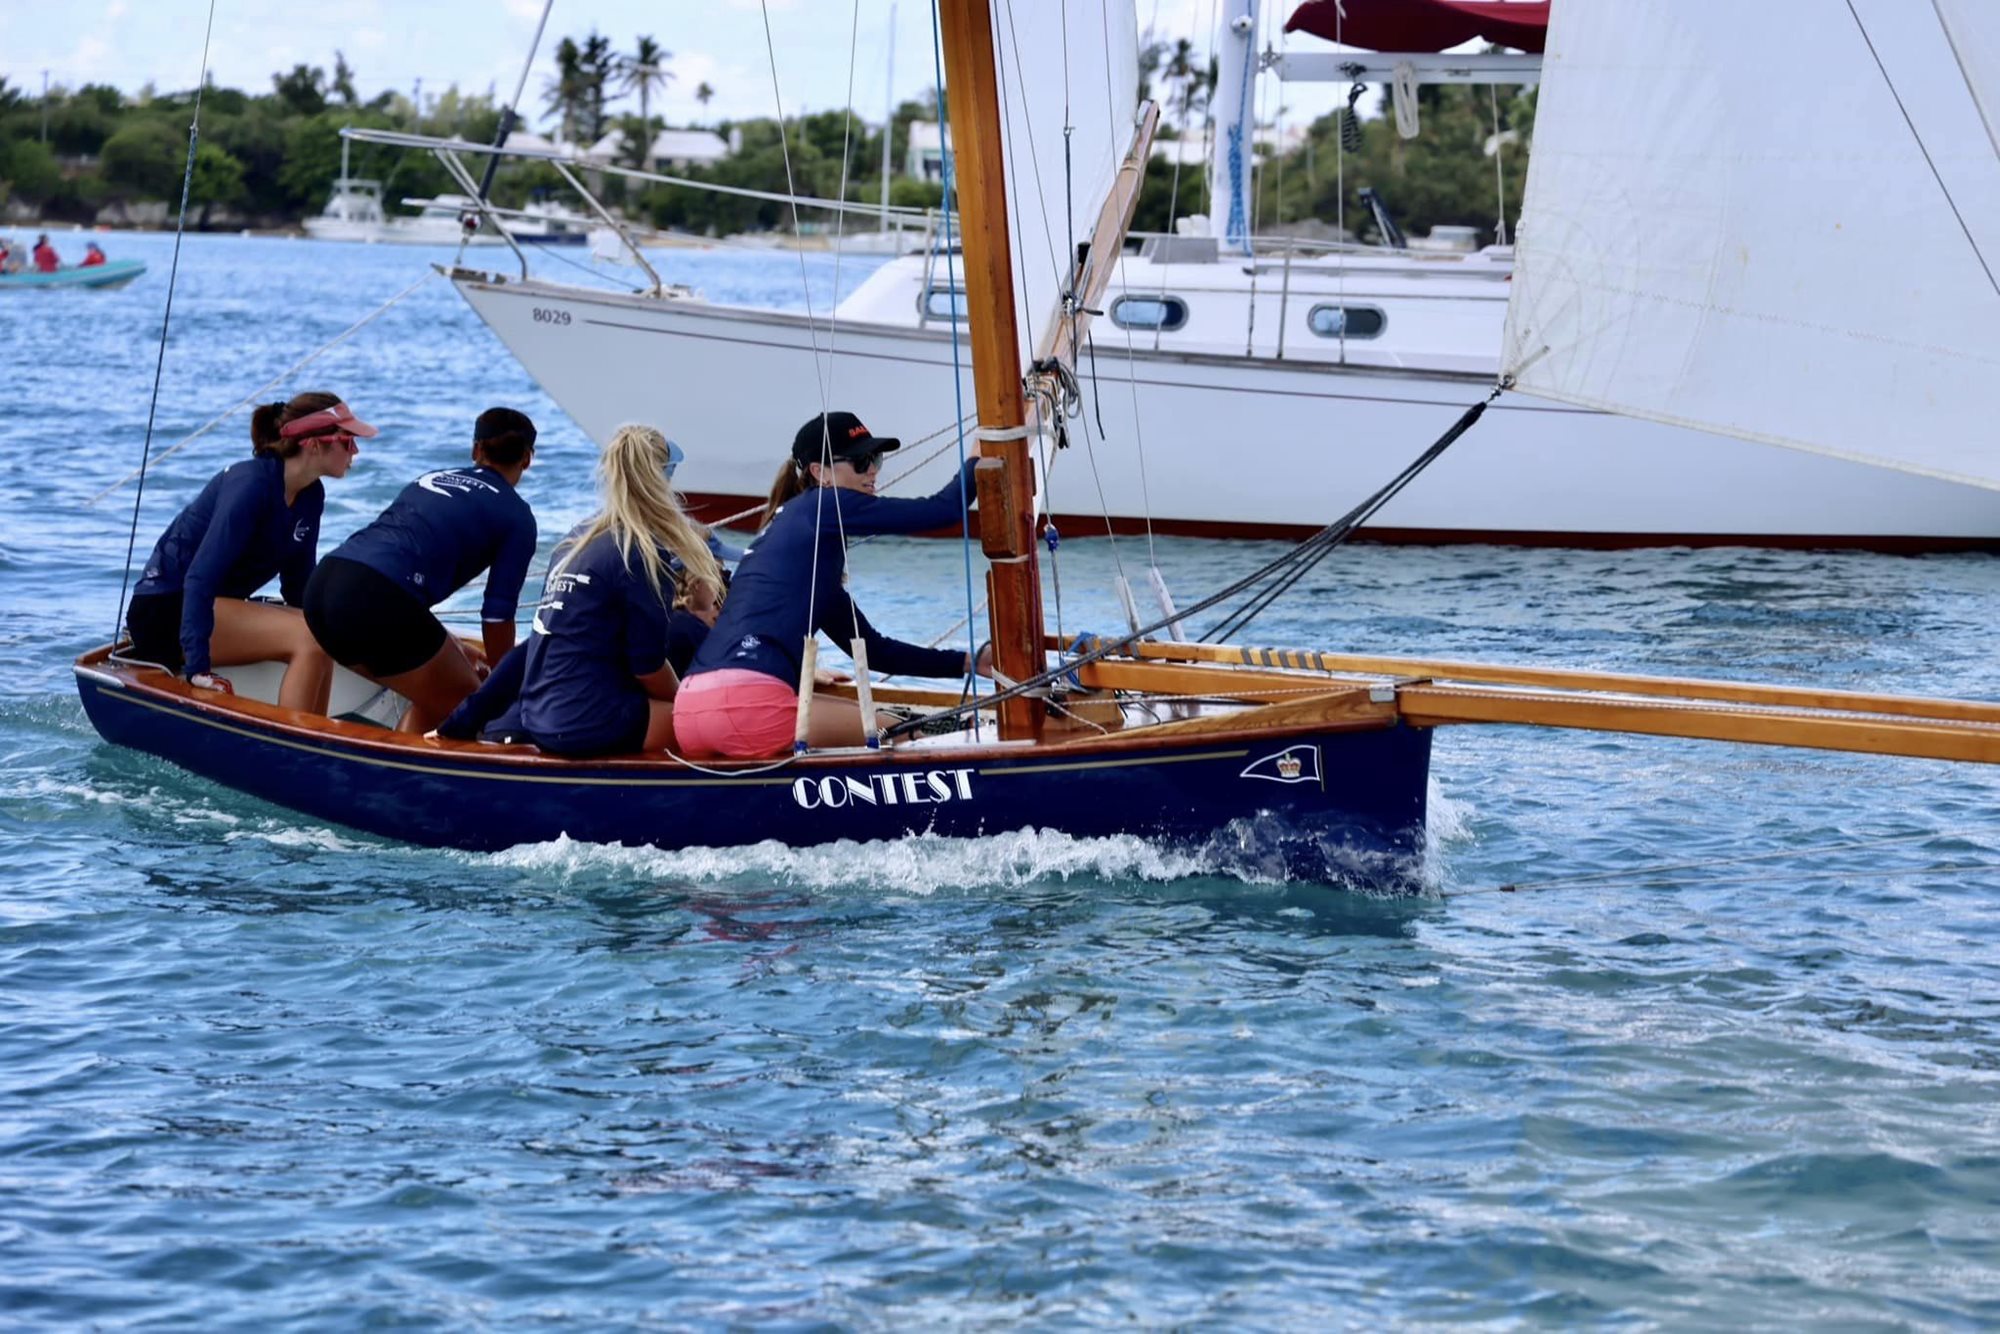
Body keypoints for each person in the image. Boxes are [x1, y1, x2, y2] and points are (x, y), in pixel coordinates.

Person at [673, 410, 992, 759]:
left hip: (689, 709)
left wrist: (970, 662)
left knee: (876, 717)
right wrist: (981, 454)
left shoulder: (793, 544)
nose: (872, 470)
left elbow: (874, 651)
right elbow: (942, 510)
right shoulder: (824, 505)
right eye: (859, 461)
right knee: (902, 728)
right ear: (819, 473)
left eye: (876, 459)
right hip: (747, 705)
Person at [124, 391, 371, 711]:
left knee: (319, 633)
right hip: (167, 611)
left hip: (215, 606)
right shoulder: (251, 484)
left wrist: (348, 629)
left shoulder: (311, 495)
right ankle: (292, 746)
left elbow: (298, 588)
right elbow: (199, 578)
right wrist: (198, 671)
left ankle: (318, 738)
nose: (356, 451)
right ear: (313, 443)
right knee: (308, 639)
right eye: (347, 441)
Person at [303, 407, 538, 734]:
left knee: (438, 695)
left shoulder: (430, 478)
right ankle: (395, 780)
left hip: (324, 586)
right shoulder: (518, 516)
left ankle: (387, 766)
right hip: (376, 602)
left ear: (476, 450)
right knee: (473, 707)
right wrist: (504, 681)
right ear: (527, 459)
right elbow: (497, 616)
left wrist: (455, 650)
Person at [503, 424, 724, 757]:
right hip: (586, 719)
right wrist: (687, 701)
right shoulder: (643, 552)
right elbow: (648, 667)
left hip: (537, 713)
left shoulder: (575, 541)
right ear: (663, 481)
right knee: (716, 728)